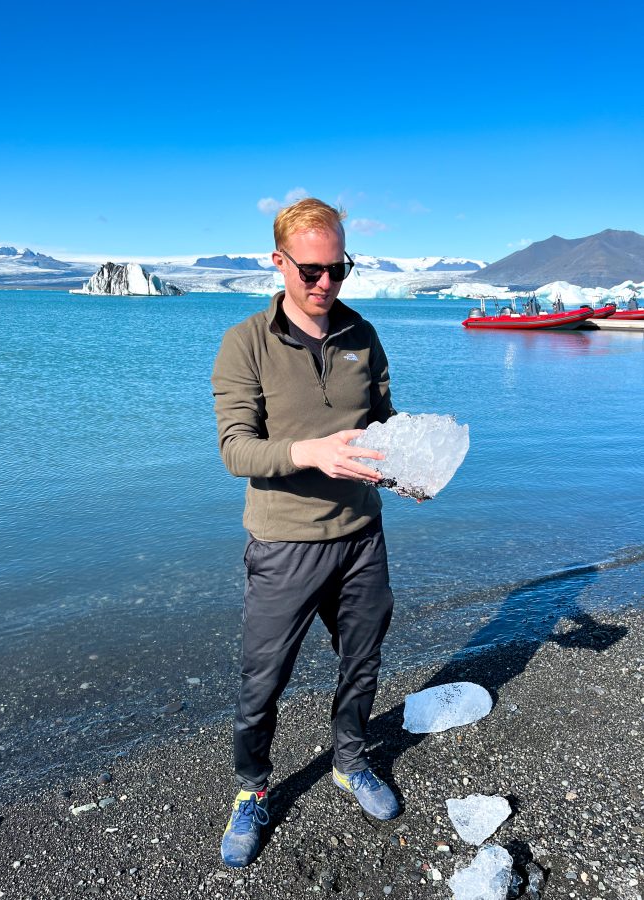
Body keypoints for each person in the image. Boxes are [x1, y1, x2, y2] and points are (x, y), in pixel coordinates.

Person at [211, 197, 400, 869]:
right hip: (284, 542)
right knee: (262, 679)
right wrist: (309, 453)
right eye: (311, 271)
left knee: (363, 659)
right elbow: (236, 450)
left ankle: (350, 761)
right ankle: (252, 789)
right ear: (279, 262)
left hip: (360, 535)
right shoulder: (245, 343)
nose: (325, 285)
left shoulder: (362, 335)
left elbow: (382, 419)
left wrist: (408, 457)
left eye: (338, 270)